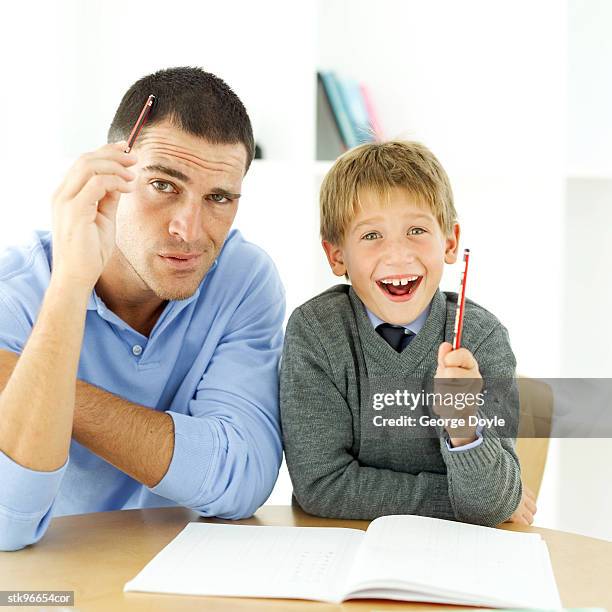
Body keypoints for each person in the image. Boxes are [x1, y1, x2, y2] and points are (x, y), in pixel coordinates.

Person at [0, 67, 285, 551]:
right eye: (164, 186)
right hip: (47, 581)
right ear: (109, 175)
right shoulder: (15, 292)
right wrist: (71, 281)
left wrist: (29, 379)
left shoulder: (244, 279)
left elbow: (243, 480)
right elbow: (9, 523)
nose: (190, 230)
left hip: (179, 573)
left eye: (218, 197)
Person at [280, 140, 537, 526]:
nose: (397, 254)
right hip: (340, 546)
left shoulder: (482, 338)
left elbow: (491, 502)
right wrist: (457, 501)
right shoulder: (316, 333)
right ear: (336, 256)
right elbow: (322, 485)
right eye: (371, 236)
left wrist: (463, 424)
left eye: (416, 230)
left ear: (449, 243)